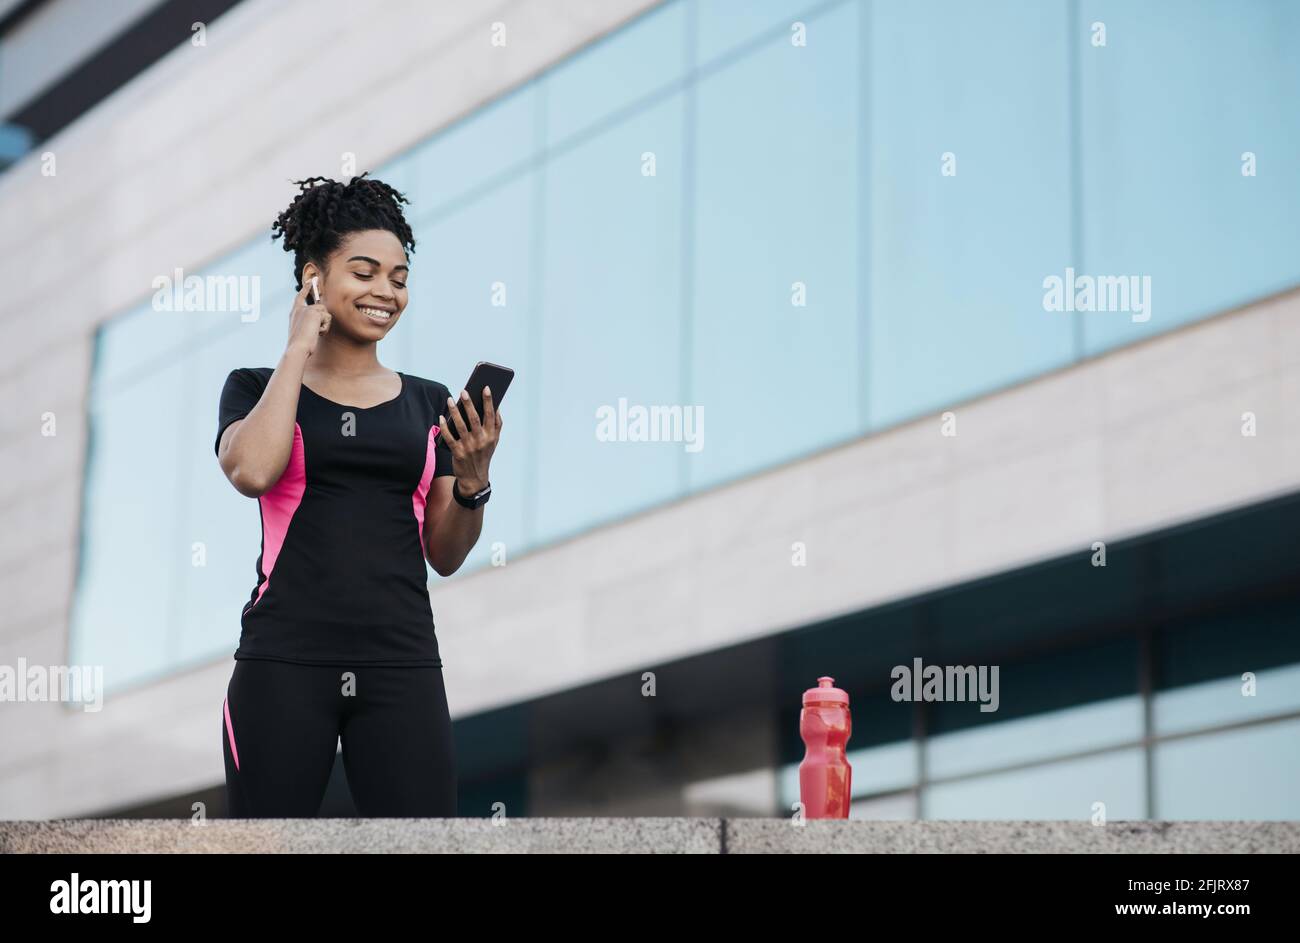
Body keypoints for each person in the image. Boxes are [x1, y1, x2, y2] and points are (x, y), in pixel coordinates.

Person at [214, 173, 502, 817]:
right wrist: (297, 346)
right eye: (365, 272)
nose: (385, 292)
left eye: (398, 279)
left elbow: (445, 553)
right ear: (313, 276)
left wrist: (475, 482)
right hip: (283, 661)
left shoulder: (431, 403)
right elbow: (253, 471)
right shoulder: (254, 387)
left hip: (402, 663)